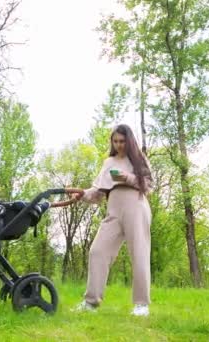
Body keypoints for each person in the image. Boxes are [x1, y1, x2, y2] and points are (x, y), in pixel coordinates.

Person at [72, 124, 153, 316]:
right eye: (115, 141)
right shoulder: (108, 162)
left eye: (122, 141)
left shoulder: (138, 159)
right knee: (97, 251)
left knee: (139, 254)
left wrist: (127, 178)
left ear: (129, 141)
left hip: (136, 206)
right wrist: (82, 194)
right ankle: (91, 302)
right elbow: (98, 192)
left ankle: (141, 305)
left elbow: (149, 184)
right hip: (113, 210)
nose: (119, 145)